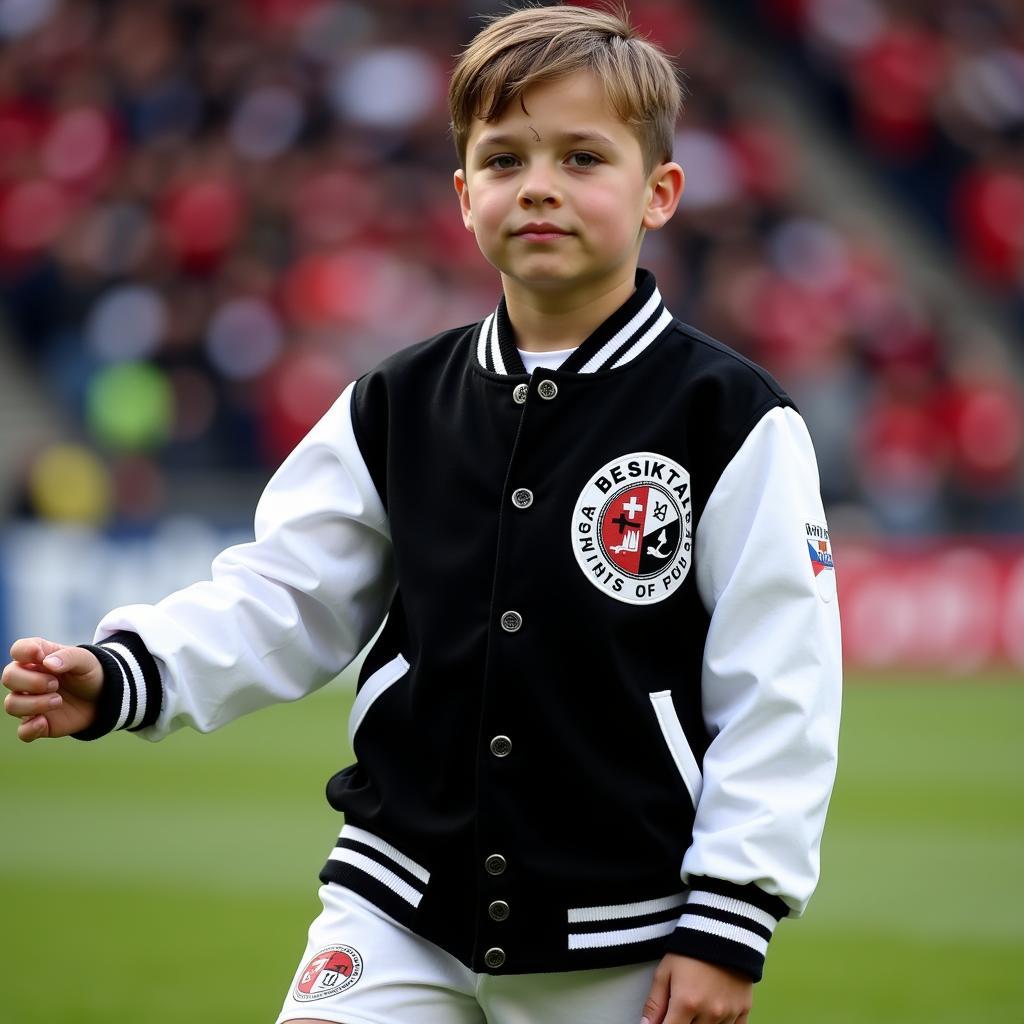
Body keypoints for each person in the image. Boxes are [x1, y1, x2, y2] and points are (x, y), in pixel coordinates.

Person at [3, 4, 842, 1023]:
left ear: (659, 191)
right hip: (395, 902)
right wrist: (132, 670)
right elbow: (285, 594)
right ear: (462, 195)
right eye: (503, 159)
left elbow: (779, 679)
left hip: (622, 930)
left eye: (582, 157)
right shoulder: (395, 400)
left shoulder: (730, 417)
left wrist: (729, 916)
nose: (537, 184)